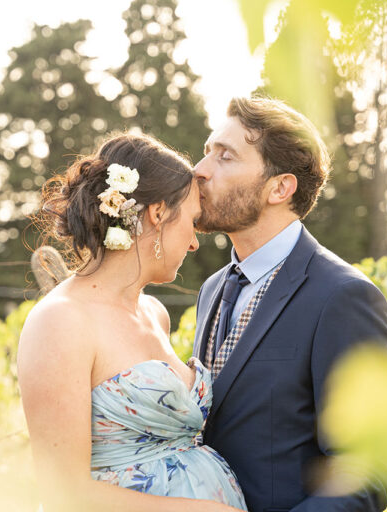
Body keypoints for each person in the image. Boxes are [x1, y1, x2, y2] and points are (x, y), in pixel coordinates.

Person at [18, 133, 247, 512]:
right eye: (191, 221)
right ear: (157, 215)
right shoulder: (60, 321)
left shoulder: (155, 313)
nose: (194, 243)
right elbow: (64, 493)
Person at [192, 96, 387, 512]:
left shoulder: (343, 297)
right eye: (206, 152)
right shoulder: (212, 289)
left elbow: (364, 473)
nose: (200, 170)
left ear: (280, 187)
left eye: (225, 156)